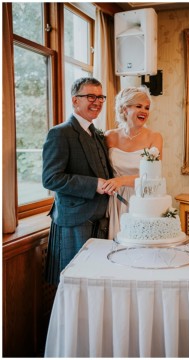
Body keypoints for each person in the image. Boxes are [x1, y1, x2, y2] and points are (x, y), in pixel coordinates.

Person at [42, 77, 114, 284]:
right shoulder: (60, 133)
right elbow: (51, 178)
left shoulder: (97, 134)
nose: (97, 101)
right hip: (74, 221)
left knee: (94, 281)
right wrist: (94, 184)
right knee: (75, 283)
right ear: (75, 100)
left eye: (100, 97)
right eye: (90, 96)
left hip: (100, 221)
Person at [101, 86, 164, 240]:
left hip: (143, 198)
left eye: (147, 107)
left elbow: (153, 176)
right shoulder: (110, 136)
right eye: (138, 106)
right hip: (116, 200)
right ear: (124, 109)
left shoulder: (154, 137)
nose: (144, 111)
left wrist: (121, 180)